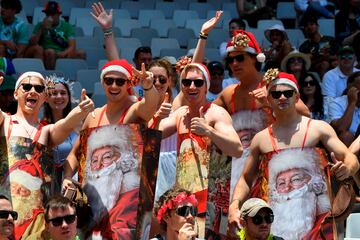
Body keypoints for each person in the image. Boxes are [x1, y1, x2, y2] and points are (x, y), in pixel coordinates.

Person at [228, 70, 359, 239]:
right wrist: (234, 205)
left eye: (287, 93)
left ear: (297, 97)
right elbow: (245, 178)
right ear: (268, 99)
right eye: (276, 94)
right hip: (274, 225)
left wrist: (347, 169)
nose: (282, 97)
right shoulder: (260, 139)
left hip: (318, 226)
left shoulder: (318, 128)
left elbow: (351, 158)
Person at [0, 71, 94, 239]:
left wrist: (80, 110)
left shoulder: (46, 130)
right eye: (27, 87)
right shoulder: (5, 121)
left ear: (44, 97)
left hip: (37, 215)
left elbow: (65, 125)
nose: (33, 91)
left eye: (39, 88)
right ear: (15, 94)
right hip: (6, 211)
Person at [158, 62, 243, 237]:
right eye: (187, 82)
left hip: (212, 203)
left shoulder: (216, 113)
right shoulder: (181, 113)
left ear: (206, 87)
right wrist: (155, 113)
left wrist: (209, 131)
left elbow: (237, 149)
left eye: (198, 83)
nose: (192, 87)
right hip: (187, 204)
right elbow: (151, 137)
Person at [42, 76, 79, 191]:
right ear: (46, 98)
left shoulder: (80, 124)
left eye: (63, 93)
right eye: (54, 93)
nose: (58, 97)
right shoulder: (40, 126)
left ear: (69, 97)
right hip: (47, 182)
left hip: (73, 182)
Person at [25, 1, 85, 70]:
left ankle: (71, 76)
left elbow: (72, 46)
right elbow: (32, 43)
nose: (50, 17)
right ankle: (51, 76)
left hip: (62, 51)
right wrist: (42, 29)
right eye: (48, 14)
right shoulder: (40, 25)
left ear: (59, 14)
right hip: (46, 52)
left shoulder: (67, 26)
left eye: (53, 14)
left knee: (81, 53)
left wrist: (62, 53)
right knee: (51, 52)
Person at [322, 45, 359, 117]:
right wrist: (330, 120)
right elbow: (328, 102)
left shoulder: (359, 74)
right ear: (338, 59)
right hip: (337, 113)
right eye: (343, 56)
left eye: (350, 56)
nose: (346, 59)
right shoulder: (329, 76)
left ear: (355, 58)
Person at [329, 71, 360, 146]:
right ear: (350, 86)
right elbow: (341, 129)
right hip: (349, 144)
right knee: (346, 136)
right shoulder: (336, 103)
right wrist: (352, 103)